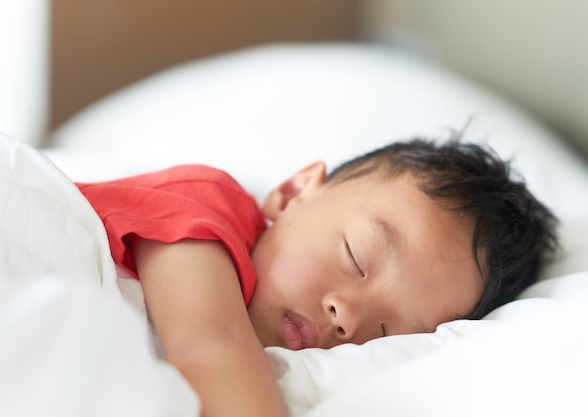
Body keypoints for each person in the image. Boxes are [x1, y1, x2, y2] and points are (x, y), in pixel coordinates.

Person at [76, 137, 558, 417]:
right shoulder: (204, 203)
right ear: (292, 193)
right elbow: (210, 345)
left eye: (388, 330)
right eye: (356, 258)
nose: (347, 316)